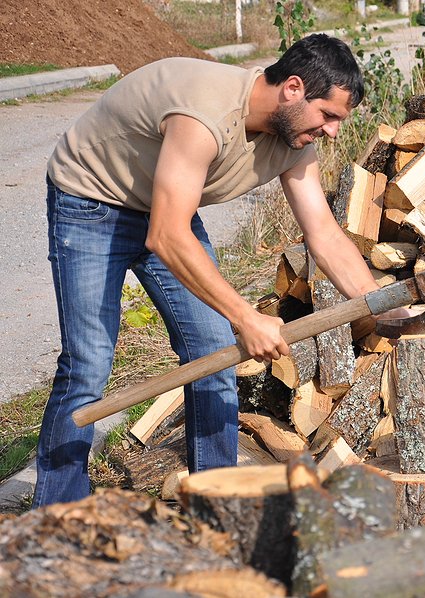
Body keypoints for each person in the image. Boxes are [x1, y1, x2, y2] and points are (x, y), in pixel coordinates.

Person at [34, 34, 387, 507]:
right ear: (294, 88)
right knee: (88, 367)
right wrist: (246, 317)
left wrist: (383, 308)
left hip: (165, 208)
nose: (332, 132)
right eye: (328, 115)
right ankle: (55, 518)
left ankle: (217, 508)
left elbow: (323, 233)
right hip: (91, 202)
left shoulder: (294, 140)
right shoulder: (205, 113)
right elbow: (167, 236)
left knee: (215, 354)